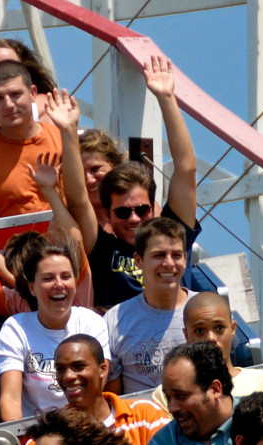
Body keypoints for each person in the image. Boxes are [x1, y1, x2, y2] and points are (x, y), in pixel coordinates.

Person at [74, 57, 199, 309]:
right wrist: (67, 134)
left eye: (141, 210)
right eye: (122, 212)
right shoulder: (102, 247)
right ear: (108, 214)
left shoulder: (170, 234)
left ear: (152, 208)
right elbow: (77, 198)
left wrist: (166, 98)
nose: (133, 219)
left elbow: (186, 169)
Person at [18, 335, 168, 445]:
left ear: (103, 369)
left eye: (78, 366)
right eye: (60, 369)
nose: (67, 376)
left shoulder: (147, 416)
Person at [0, 63, 72, 249]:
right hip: (13, 256)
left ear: (33, 93)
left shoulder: (63, 139)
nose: (8, 105)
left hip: (68, 248)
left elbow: (83, 204)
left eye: (15, 95)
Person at [0, 244, 108, 420]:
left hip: (87, 426)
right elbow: (11, 400)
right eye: (48, 278)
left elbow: (97, 390)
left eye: (66, 276)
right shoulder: (15, 329)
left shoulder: (92, 323)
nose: (59, 284)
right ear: (32, 288)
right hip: (40, 434)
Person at [102, 217, 192, 391]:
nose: (168, 263)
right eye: (158, 255)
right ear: (138, 260)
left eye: (176, 255)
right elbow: (112, 396)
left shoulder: (207, 310)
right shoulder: (115, 320)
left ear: (186, 259)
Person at [152, 292, 263, 408]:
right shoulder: (168, 394)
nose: (211, 338)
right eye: (200, 331)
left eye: (219, 328)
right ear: (187, 336)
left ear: (232, 329)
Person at [78, 127, 122, 200]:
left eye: (95, 169)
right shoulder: (59, 210)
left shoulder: (136, 208)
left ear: (114, 165)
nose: (89, 180)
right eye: (80, 173)